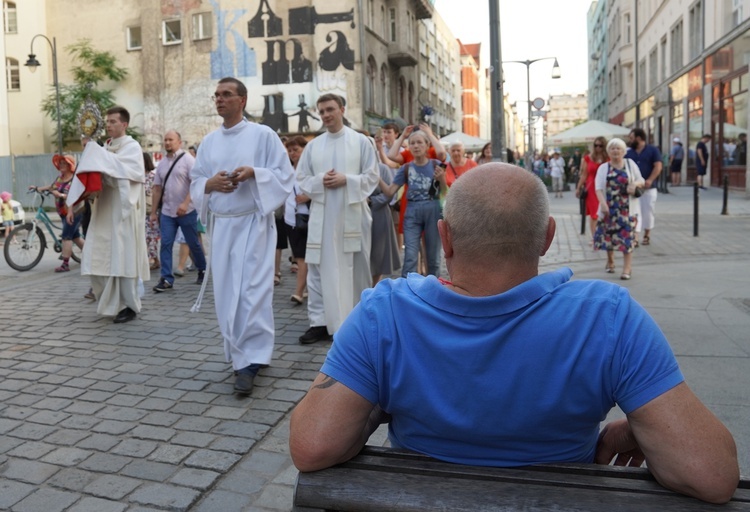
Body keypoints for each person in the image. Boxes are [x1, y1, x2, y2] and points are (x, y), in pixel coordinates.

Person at [289, 163, 740, 505]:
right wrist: (638, 429)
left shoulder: (384, 313)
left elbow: (312, 447)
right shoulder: (608, 316)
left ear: (443, 239)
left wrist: (375, 405)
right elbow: (712, 475)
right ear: (547, 237)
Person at [189, 77, 295, 395]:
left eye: (226, 94)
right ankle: (244, 350)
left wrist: (255, 174)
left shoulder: (263, 135)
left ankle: (249, 362)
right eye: (217, 95)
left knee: (251, 290)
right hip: (222, 227)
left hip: (253, 224)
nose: (220, 99)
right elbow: (196, 180)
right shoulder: (208, 142)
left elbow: (284, 176)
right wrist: (210, 185)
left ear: (243, 100)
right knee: (225, 293)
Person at [296, 93, 380, 345]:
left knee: (355, 269)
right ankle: (319, 322)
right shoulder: (313, 145)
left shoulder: (361, 142)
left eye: (330, 109)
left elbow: (372, 176)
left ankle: (355, 322)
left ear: (342, 109)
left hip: (351, 216)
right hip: (322, 217)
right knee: (319, 270)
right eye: (321, 111)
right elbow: (301, 179)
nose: (325, 115)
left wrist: (348, 180)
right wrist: (320, 180)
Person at [66, 106, 149, 323]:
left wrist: (101, 160)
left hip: (123, 213)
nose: (109, 125)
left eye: (113, 121)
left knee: (123, 257)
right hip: (104, 210)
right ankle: (108, 300)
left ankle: (129, 305)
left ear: (124, 124)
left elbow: (131, 174)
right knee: (96, 253)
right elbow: (97, 176)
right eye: (107, 121)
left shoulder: (132, 147)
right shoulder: (105, 147)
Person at [380, 130, 447, 278]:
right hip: (412, 210)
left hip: (433, 208)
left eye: (419, 142)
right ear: (408, 146)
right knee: (410, 256)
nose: (416, 146)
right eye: (412, 143)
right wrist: (376, 177)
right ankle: (408, 292)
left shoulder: (437, 165)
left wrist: (441, 179)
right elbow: (390, 191)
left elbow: (444, 193)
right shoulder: (406, 168)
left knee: (433, 258)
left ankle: (433, 291)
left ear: (427, 145)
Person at [150, 130, 206, 292]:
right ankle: (166, 278)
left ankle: (202, 269)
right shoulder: (161, 163)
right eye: (165, 140)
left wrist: (186, 202)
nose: (167, 143)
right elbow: (157, 189)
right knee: (166, 243)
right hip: (167, 212)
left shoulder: (188, 160)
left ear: (179, 142)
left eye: (171, 140)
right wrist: (154, 212)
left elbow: (195, 184)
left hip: (187, 211)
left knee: (193, 243)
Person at [593, 138, 644, 280]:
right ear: (608, 152)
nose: (616, 151)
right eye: (613, 149)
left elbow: (641, 179)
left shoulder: (630, 164)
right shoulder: (604, 167)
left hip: (627, 209)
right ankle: (610, 261)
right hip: (609, 208)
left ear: (623, 151)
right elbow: (598, 188)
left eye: (619, 149)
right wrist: (603, 204)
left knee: (628, 239)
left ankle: (627, 269)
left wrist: (635, 184)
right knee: (608, 238)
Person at [31, 154, 85, 273]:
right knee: (75, 237)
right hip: (63, 212)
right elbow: (51, 187)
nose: (61, 166)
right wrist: (37, 188)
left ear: (70, 165)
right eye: (60, 163)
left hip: (74, 212)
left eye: (64, 163)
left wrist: (60, 195)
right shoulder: (60, 178)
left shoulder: (74, 180)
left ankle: (65, 264)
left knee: (66, 236)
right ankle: (92, 257)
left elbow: (75, 196)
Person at [369, 135, 401, 285]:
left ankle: (374, 284)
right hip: (358, 213)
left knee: (379, 253)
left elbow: (389, 194)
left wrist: (372, 202)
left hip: (379, 214)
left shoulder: (382, 168)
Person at [284, 136, 310, 305]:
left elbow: (319, 188)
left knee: (302, 258)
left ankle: (298, 292)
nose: (293, 153)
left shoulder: (309, 169)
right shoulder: (287, 169)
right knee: (300, 256)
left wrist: (307, 196)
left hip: (306, 217)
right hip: (290, 218)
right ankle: (306, 288)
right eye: (290, 150)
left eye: (296, 150)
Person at [626, 128, 662, 246]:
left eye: (631, 138)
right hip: (634, 188)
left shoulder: (652, 150)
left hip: (649, 188)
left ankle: (647, 234)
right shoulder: (629, 152)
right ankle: (635, 236)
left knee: (648, 211)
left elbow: (658, 166)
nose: (630, 141)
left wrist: (650, 180)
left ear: (639, 138)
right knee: (635, 212)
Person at [576, 137, 607, 238]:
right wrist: (578, 187)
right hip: (591, 187)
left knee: (604, 212)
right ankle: (594, 237)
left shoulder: (608, 158)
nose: (598, 147)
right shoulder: (588, 158)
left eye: (600, 145)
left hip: (604, 187)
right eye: (596, 145)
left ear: (604, 146)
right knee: (594, 213)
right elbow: (584, 174)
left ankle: (603, 234)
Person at [143, 152, 161, 271]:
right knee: (147, 237)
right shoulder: (141, 176)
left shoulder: (151, 177)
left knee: (150, 237)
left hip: (149, 210)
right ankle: (154, 259)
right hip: (143, 210)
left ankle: (153, 259)